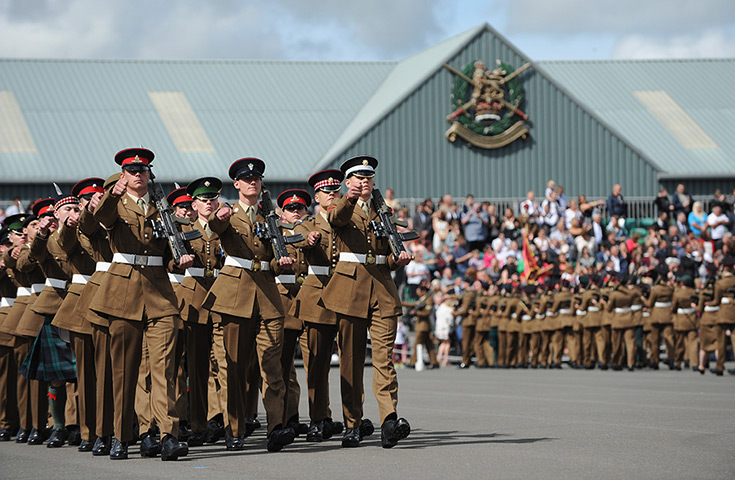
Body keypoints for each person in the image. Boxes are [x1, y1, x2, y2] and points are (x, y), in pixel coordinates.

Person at [90, 148, 191, 460]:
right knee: (124, 370)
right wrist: (110, 195)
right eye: (131, 170)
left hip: (159, 294)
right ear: (123, 175)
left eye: (143, 170)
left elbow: (171, 244)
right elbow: (99, 220)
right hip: (123, 294)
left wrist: (181, 256)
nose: (137, 174)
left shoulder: (162, 206)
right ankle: (121, 436)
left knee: (163, 370)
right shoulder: (115, 204)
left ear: (150, 174)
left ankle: (167, 435)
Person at [202, 157, 295, 452]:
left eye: (257, 178)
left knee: (272, 367)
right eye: (247, 178)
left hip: (267, 297)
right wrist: (219, 216)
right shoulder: (229, 214)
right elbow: (215, 229)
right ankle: (234, 428)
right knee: (233, 367)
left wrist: (283, 262)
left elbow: (274, 260)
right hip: (235, 296)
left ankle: (277, 427)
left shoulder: (270, 218)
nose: (253, 182)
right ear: (237, 184)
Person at [320, 155, 412, 448]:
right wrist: (350, 199)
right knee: (351, 360)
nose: (364, 182)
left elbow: (385, 254)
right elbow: (337, 221)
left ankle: (388, 420)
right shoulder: (339, 206)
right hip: (350, 289)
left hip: (382, 287)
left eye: (368, 177)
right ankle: (353, 422)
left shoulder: (384, 211)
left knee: (385, 360)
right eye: (358, 178)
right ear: (348, 182)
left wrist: (397, 259)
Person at [292, 169, 346, 442]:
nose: (333, 195)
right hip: (319, 298)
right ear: (317, 196)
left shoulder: (347, 221)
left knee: (349, 363)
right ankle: (318, 418)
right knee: (317, 363)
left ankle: (351, 419)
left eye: (337, 191)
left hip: (348, 295)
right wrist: (309, 240)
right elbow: (299, 238)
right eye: (328, 192)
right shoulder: (307, 223)